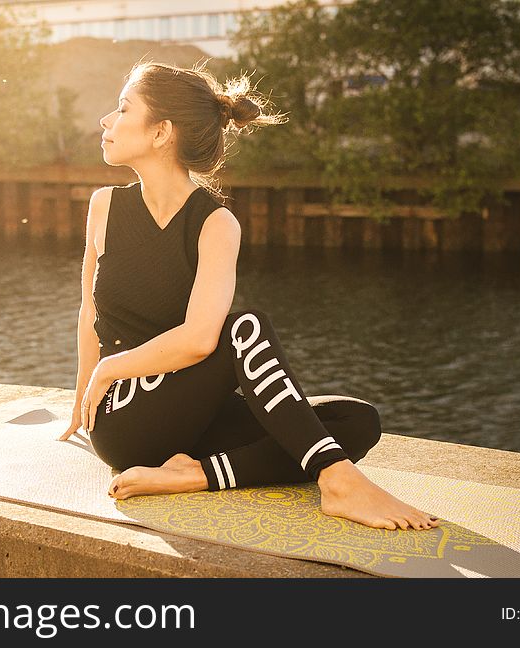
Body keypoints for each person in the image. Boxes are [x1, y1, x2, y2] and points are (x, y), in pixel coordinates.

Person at [58, 60, 440, 532]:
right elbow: (89, 311)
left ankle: (194, 474)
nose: (106, 121)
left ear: (161, 133)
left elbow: (197, 341)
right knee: (247, 327)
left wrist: (106, 367)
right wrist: (85, 394)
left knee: (356, 422)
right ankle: (338, 483)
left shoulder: (215, 224)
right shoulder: (105, 207)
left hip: (190, 416)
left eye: (122, 109)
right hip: (125, 418)